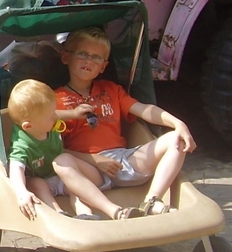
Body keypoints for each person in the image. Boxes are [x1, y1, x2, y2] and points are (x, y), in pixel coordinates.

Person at [56, 27, 197, 215]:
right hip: (88, 168)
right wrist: (97, 160)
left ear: (103, 66)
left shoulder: (111, 90)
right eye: (82, 54)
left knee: (175, 139)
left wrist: (178, 124)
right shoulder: (54, 99)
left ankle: (151, 201)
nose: (89, 60)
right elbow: (53, 148)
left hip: (123, 161)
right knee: (62, 160)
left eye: (96, 57)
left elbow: (145, 110)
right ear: (66, 57)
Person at [7, 79, 141, 221]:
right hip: (44, 180)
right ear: (28, 126)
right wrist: (21, 193)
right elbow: (16, 169)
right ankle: (58, 214)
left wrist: (74, 113)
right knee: (35, 184)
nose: (56, 116)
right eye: (52, 116)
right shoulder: (21, 144)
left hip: (63, 176)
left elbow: (57, 114)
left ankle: (86, 215)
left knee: (75, 187)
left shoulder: (44, 122)